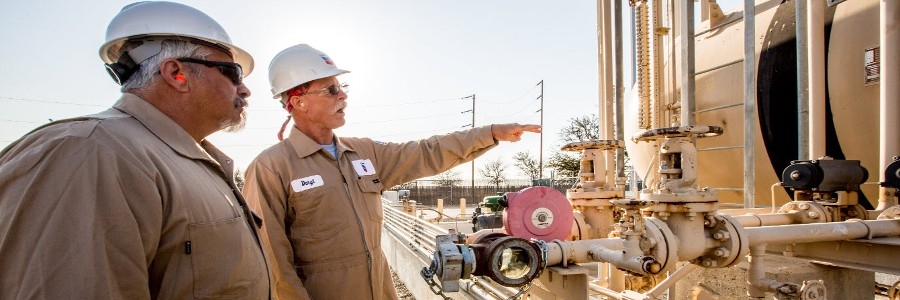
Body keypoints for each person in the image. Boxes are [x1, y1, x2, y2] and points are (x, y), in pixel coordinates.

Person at [0, 2, 270, 299]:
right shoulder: (90, 153)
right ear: (176, 73)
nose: (244, 90)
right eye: (232, 73)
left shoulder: (183, 158)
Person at [242, 43, 541, 300]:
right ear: (298, 101)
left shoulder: (364, 153)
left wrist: (490, 133)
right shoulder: (271, 168)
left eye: (342, 88)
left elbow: (428, 151)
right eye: (331, 90)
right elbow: (272, 262)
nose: (342, 96)